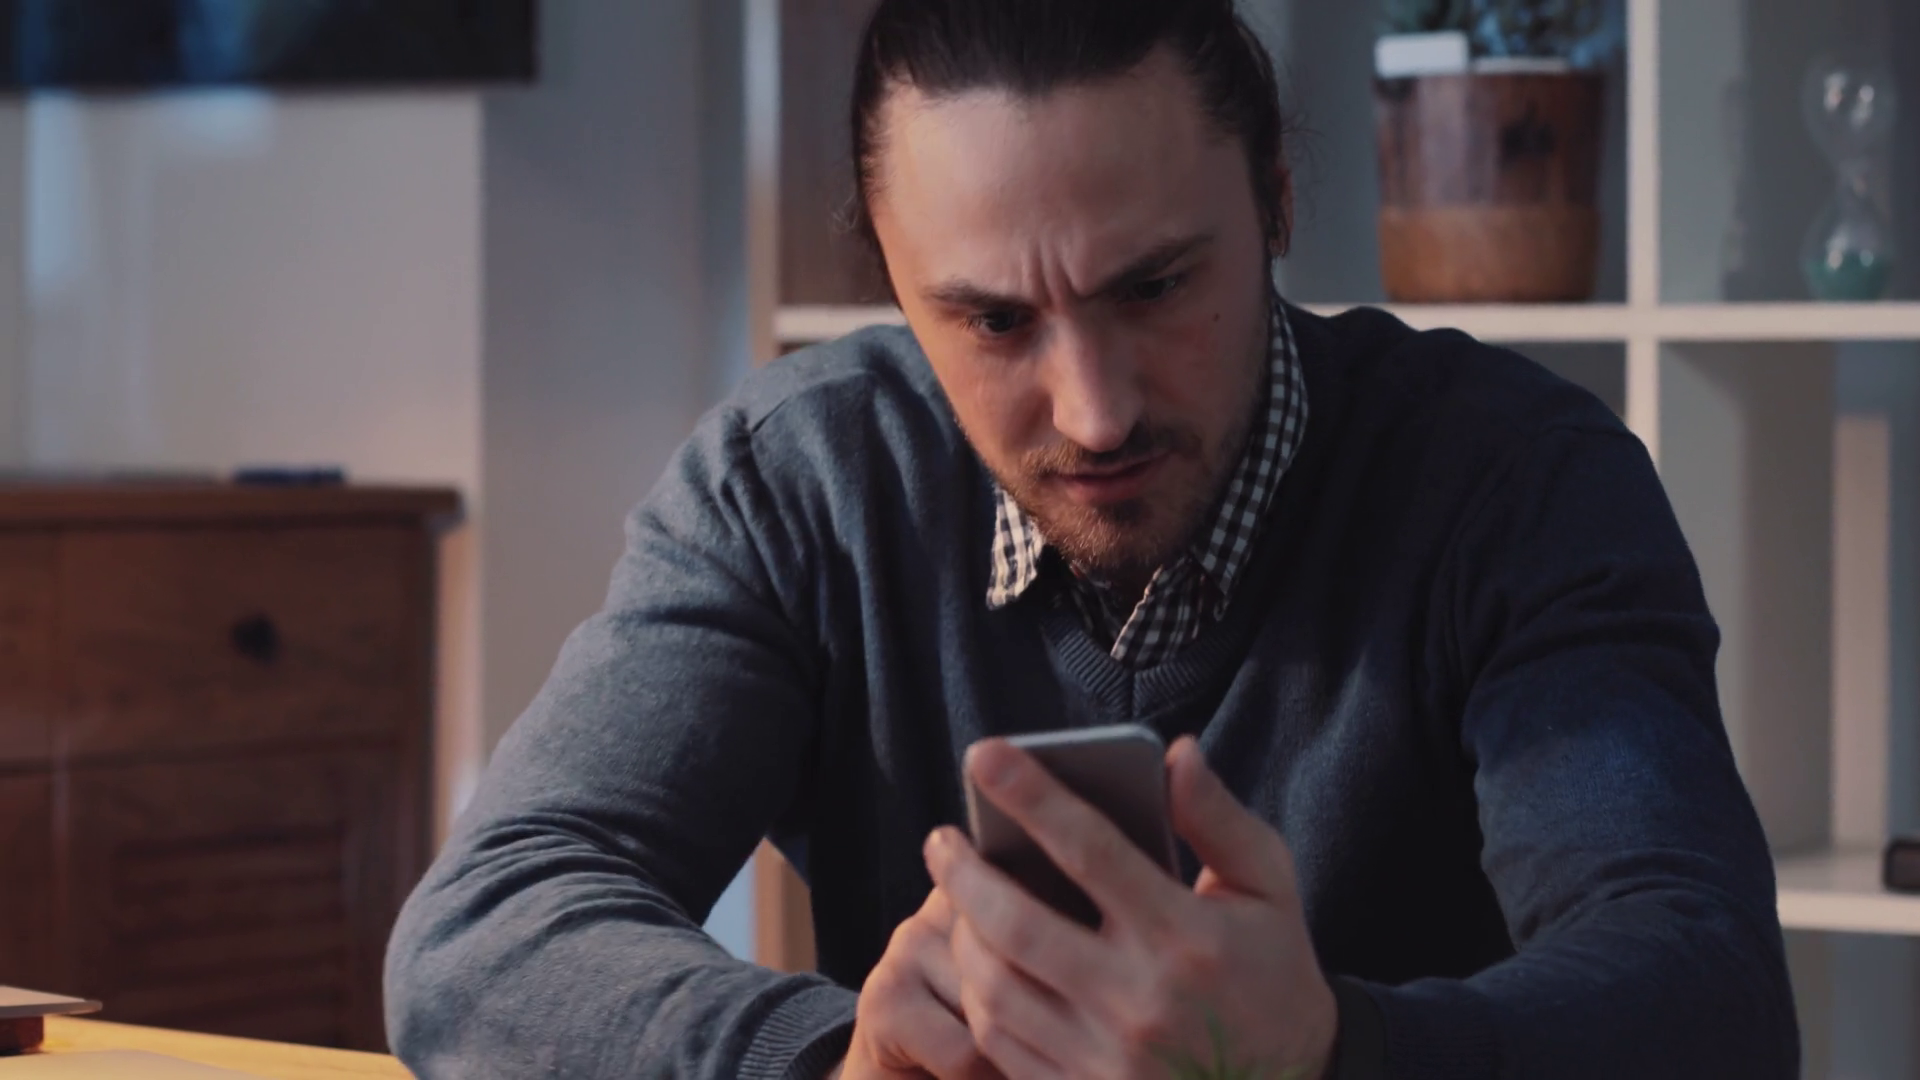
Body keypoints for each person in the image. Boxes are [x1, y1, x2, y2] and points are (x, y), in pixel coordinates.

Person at [384, 2, 1800, 1077]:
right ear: (891, 280)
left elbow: (1709, 988)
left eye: (1156, 286)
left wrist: (1328, 1048)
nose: (1095, 409)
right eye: (994, 322)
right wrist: (826, 1062)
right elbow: (483, 933)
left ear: (1277, 197)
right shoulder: (798, 484)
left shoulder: (1516, 482)